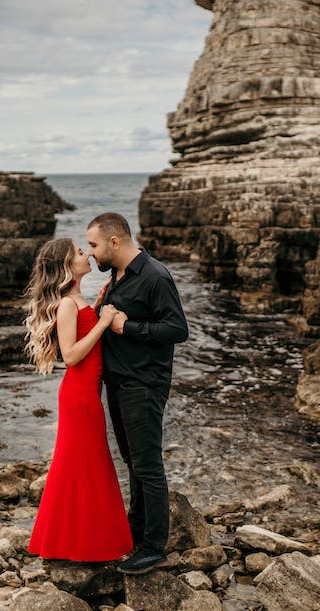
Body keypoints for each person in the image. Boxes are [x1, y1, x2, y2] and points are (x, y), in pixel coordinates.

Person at [86, 213, 189, 575]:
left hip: (143, 384)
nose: (91, 253)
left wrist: (126, 325)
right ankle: (136, 531)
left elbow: (177, 329)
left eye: (94, 245)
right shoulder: (117, 275)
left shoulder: (155, 276)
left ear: (115, 242)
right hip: (120, 383)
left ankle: (153, 547)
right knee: (133, 463)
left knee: (148, 465)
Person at [24, 238, 133, 561]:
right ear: (67, 266)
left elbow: (84, 334)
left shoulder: (76, 298)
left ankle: (79, 541)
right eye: (80, 253)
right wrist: (102, 322)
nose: (87, 255)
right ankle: (75, 543)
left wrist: (97, 307)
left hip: (86, 394)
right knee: (82, 466)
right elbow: (71, 355)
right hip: (79, 396)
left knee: (85, 466)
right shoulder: (67, 304)